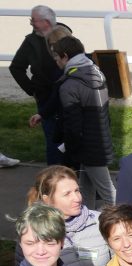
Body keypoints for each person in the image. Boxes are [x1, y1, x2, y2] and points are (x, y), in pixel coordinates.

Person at [53, 36, 116, 209]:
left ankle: (130, 226)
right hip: (100, 138)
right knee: (85, 188)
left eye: (57, 58)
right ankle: (86, 221)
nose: (57, 62)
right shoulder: (97, 73)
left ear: (65, 56)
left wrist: (70, 148)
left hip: (86, 145)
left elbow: (73, 124)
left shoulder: (69, 85)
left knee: (110, 194)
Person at [23, 165, 110, 266]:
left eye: (77, 190)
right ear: (47, 199)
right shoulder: (32, 232)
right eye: (67, 194)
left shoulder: (99, 221)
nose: (77, 198)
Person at [11, 5, 63, 165]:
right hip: (45, 96)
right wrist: (32, 90)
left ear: (46, 22)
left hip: (66, 94)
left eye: (34, 20)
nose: (31, 23)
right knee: (52, 138)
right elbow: (16, 67)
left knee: (69, 137)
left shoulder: (63, 35)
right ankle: (54, 177)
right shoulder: (31, 42)